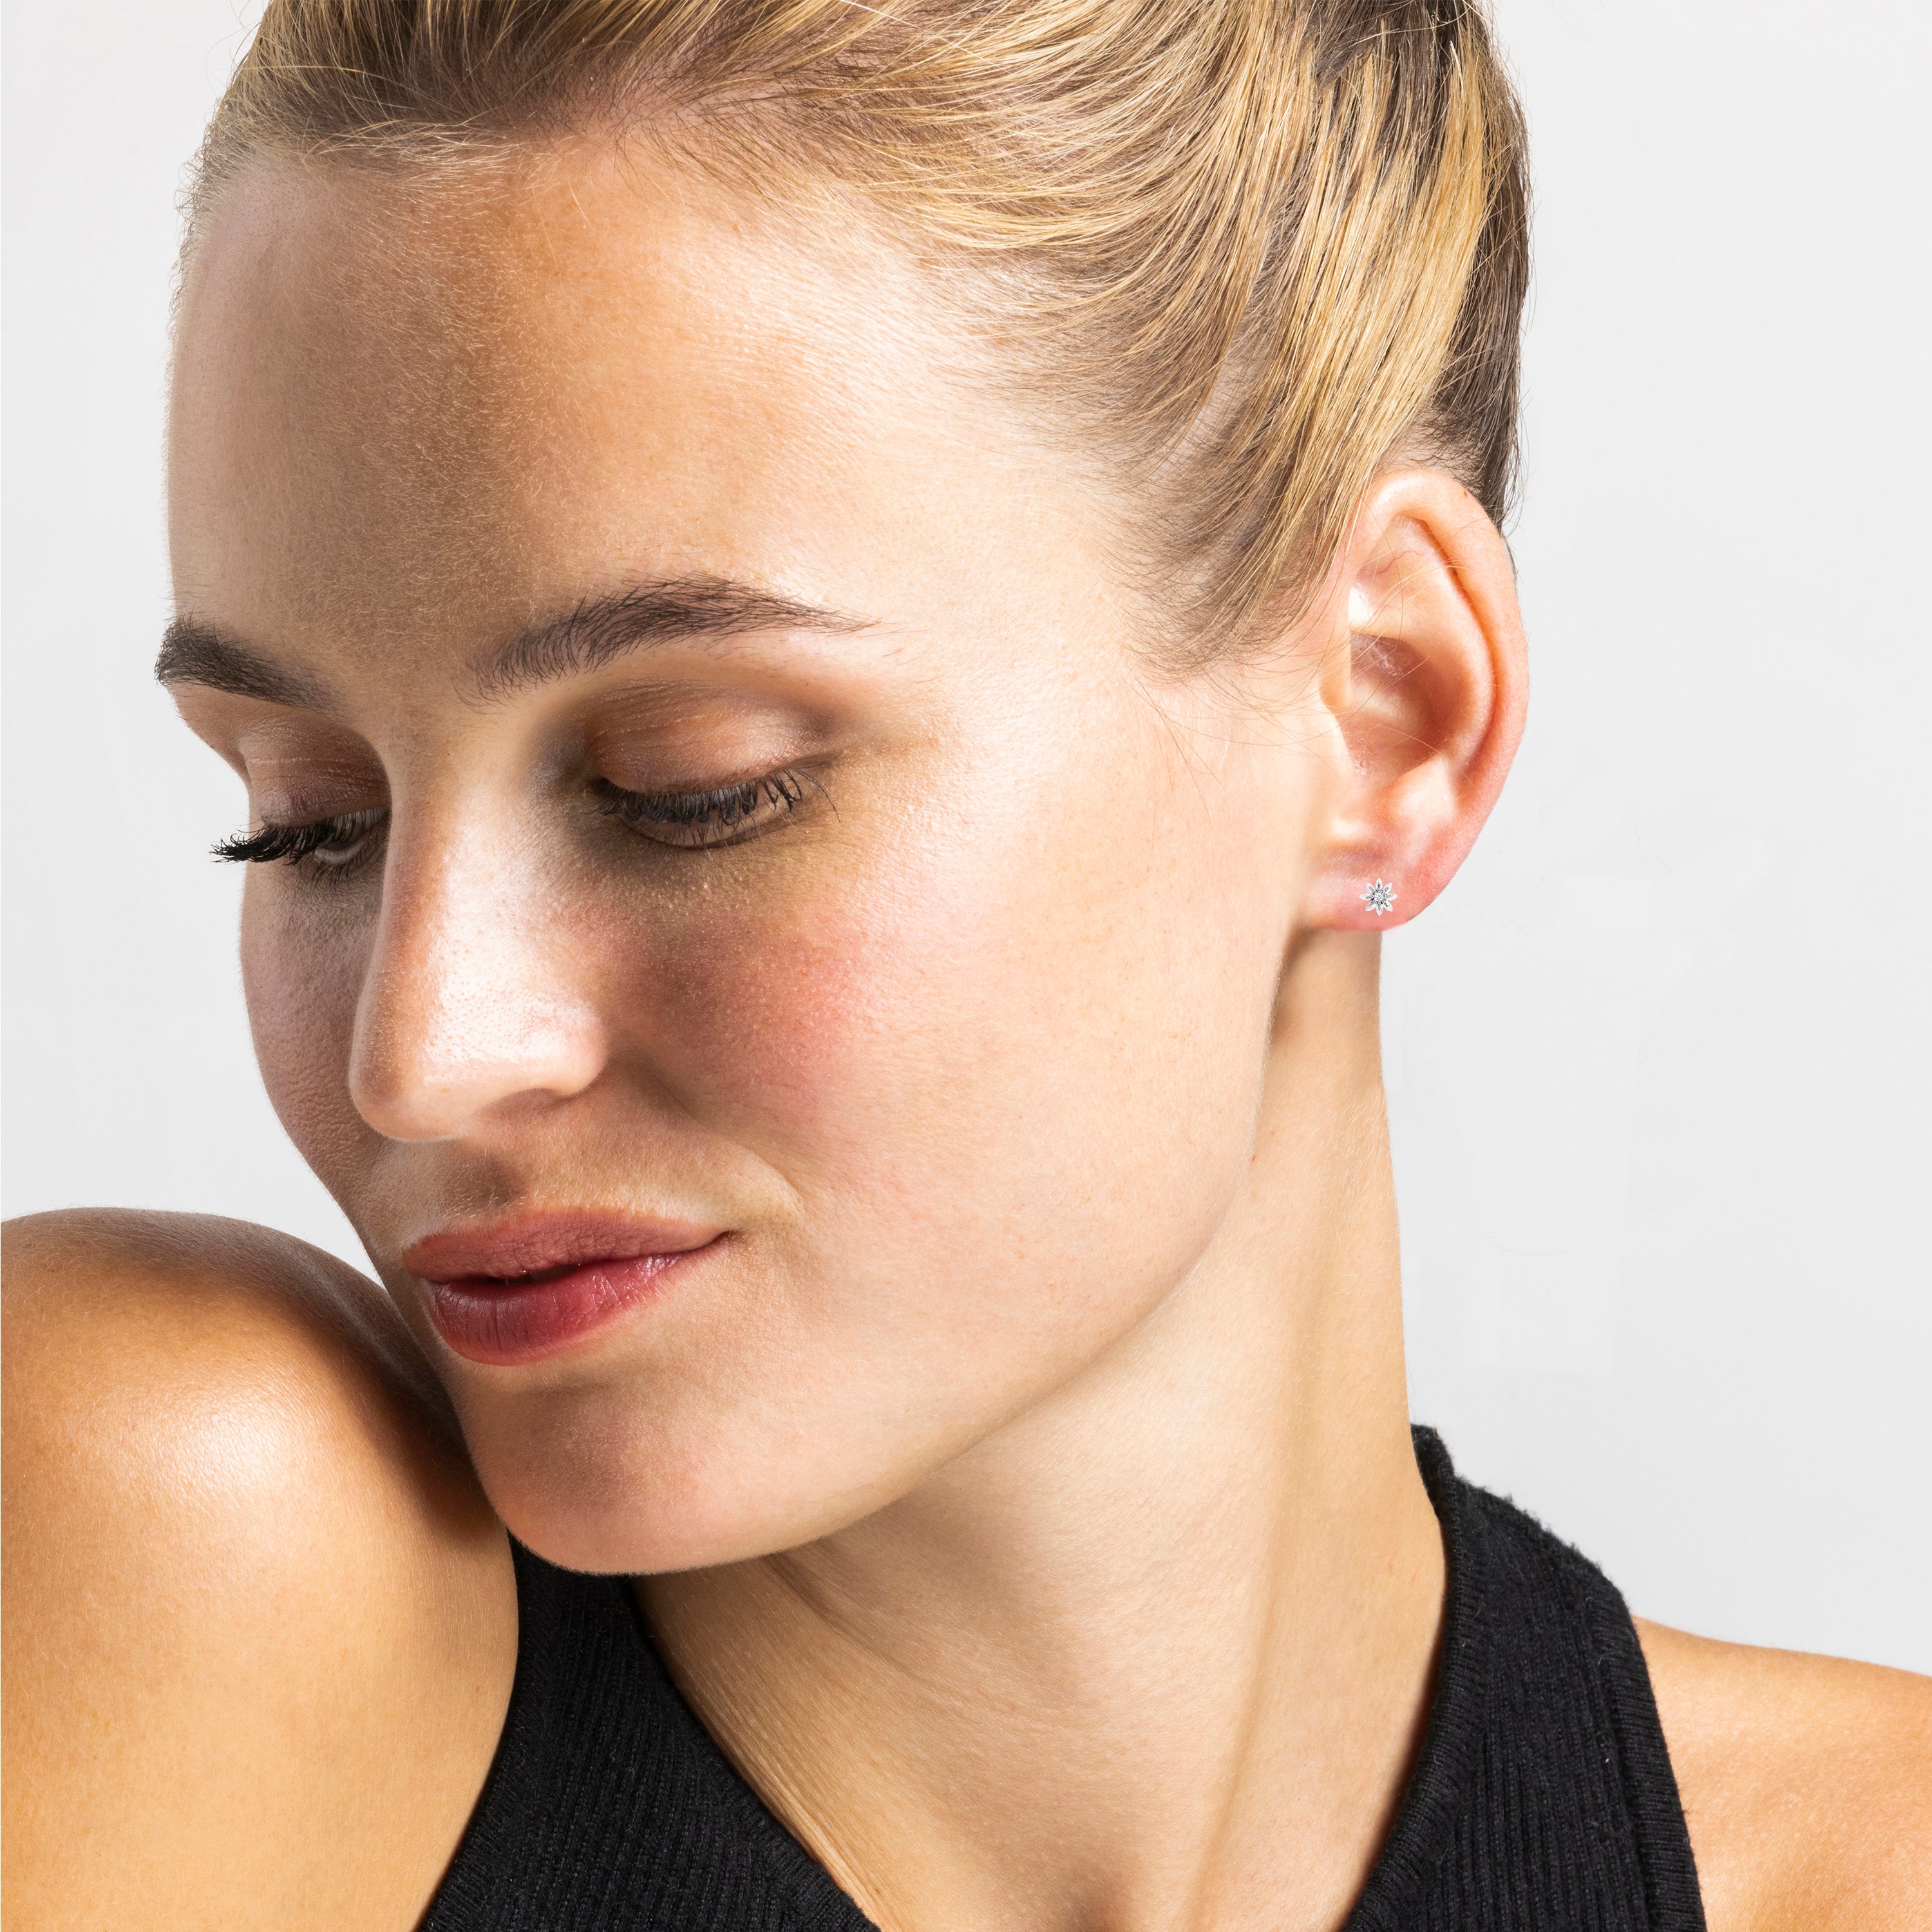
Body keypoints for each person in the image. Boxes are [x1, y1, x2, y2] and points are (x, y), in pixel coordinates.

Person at [5, 1, 1927, 1926]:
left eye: (694, 789)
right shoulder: (167, 1552)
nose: (419, 1052)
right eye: (313, 820)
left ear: (1386, 715)